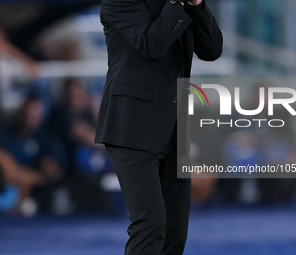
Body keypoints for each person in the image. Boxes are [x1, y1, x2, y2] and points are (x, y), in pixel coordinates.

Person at [95, 0, 223, 254]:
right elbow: (151, 45)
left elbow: (212, 49)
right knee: (150, 225)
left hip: (175, 129)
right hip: (132, 128)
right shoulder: (119, 2)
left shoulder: (179, 4)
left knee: (175, 233)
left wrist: (197, 5)